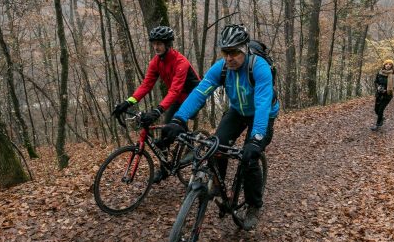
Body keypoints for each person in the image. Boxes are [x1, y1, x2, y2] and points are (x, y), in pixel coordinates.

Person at [160, 24, 279, 230]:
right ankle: (218, 183)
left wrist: (256, 138)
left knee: (249, 160)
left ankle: (253, 206)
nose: (229, 58)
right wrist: (178, 120)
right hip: (237, 111)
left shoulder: (259, 68)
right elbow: (199, 92)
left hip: (263, 114)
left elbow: (262, 104)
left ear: (245, 49)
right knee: (217, 145)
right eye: (225, 52)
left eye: (234, 52)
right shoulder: (221, 68)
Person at [111, 25, 200, 181]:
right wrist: (128, 102)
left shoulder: (181, 62)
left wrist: (158, 110)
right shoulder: (155, 62)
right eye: (154, 43)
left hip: (193, 98)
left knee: (173, 128)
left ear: (168, 44)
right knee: (164, 133)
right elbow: (146, 85)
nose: (156, 47)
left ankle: (192, 147)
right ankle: (165, 169)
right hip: (177, 99)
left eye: (159, 43)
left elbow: (174, 91)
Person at [372, 60, 394, 131]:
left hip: (387, 95)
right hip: (379, 94)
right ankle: (381, 118)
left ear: (391, 66)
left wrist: (387, 90)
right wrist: (378, 87)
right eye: (386, 64)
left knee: (380, 110)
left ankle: (378, 125)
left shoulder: (392, 75)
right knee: (376, 110)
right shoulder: (379, 73)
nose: (388, 65)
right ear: (384, 65)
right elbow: (376, 82)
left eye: (390, 64)